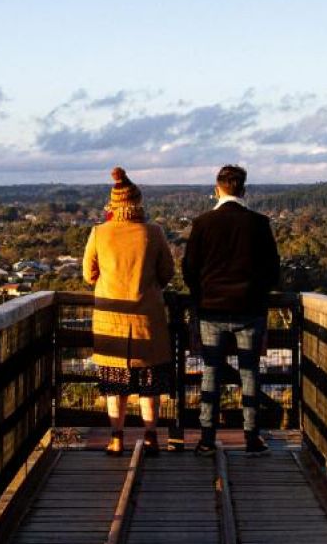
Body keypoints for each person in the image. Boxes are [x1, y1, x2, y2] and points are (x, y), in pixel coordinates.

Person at [182, 164, 281, 456]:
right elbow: (272, 271)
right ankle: (251, 437)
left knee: (210, 373)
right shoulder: (259, 224)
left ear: (218, 189)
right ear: (243, 189)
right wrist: (257, 293)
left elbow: (189, 269)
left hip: (211, 309)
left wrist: (200, 295)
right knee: (250, 373)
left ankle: (206, 439)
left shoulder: (202, 223)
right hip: (249, 309)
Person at [83, 167, 175, 456]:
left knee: (115, 385)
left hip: (111, 323)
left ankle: (116, 437)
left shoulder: (99, 233)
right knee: (150, 386)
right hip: (148, 319)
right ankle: (150, 437)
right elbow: (167, 273)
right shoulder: (154, 232)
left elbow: (88, 274)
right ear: (138, 204)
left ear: (113, 204)